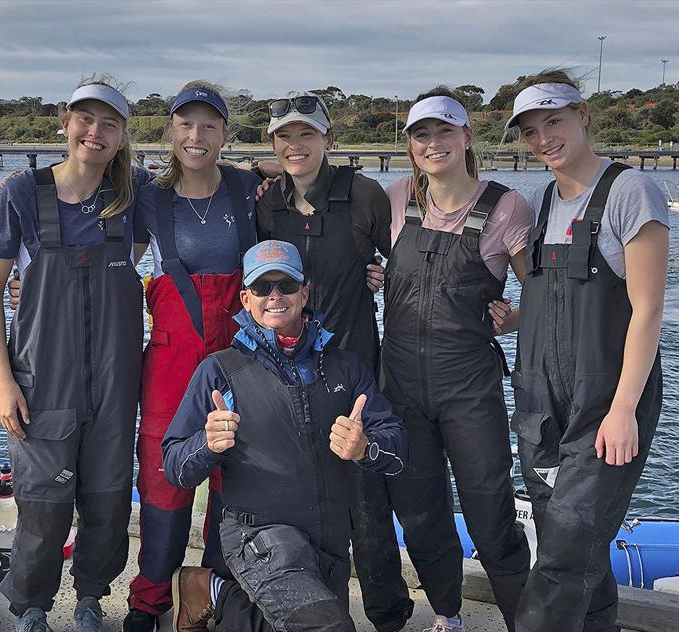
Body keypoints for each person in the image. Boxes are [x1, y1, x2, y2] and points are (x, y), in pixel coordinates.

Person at [161, 240, 409, 632]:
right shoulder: (219, 371)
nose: (274, 296)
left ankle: (212, 593)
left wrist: (366, 447)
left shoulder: (345, 366)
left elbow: (397, 447)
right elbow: (174, 466)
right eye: (261, 288)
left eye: (286, 285)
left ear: (304, 293)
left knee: (280, 620)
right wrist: (205, 445)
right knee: (328, 627)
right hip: (258, 538)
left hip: (327, 549)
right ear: (245, 298)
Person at [0, 78, 148, 632]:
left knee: (107, 503)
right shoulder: (21, 193)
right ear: (65, 122)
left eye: (108, 123)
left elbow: (203, 183)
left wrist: (266, 177)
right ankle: (31, 608)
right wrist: (3, 381)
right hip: (40, 383)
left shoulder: (135, 195)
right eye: (85, 119)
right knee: (42, 512)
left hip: (115, 383)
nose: (94, 132)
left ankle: (93, 599)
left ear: (123, 137)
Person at [504, 71, 668, 632]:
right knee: (568, 543)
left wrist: (623, 410)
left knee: (562, 559)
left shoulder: (630, 191)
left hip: (605, 405)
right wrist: (511, 318)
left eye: (553, 120)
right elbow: (553, 302)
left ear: (583, 116)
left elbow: (646, 310)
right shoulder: (544, 197)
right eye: (531, 130)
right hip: (543, 405)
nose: (544, 137)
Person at [253, 91, 413, 631]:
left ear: (329, 140)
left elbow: (408, 262)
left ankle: (389, 615)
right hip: (287, 371)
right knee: (300, 496)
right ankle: (313, 611)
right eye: (284, 137)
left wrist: (386, 276)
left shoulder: (364, 194)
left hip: (353, 371)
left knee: (367, 501)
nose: (294, 146)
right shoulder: (266, 201)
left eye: (306, 134)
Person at [380, 88, 533, 632]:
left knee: (491, 511)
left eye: (445, 131)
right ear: (410, 145)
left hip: (468, 386)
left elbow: (540, 294)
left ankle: (524, 621)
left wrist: (513, 319)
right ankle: (447, 614)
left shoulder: (506, 206)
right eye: (421, 134)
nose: (434, 143)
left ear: (467, 138)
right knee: (420, 512)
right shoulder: (396, 198)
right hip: (398, 384)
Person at [123, 81, 260, 632]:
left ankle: (214, 593)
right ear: (170, 132)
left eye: (208, 125)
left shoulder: (251, 189)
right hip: (171, 357)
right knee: (163, 481)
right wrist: (27, 286)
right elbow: (116, 268)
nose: (196, 136)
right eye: (185, 125)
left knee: (236, 477)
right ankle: (149, 599)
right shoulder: (145, 197)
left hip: (240, 358)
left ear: (226, 134)